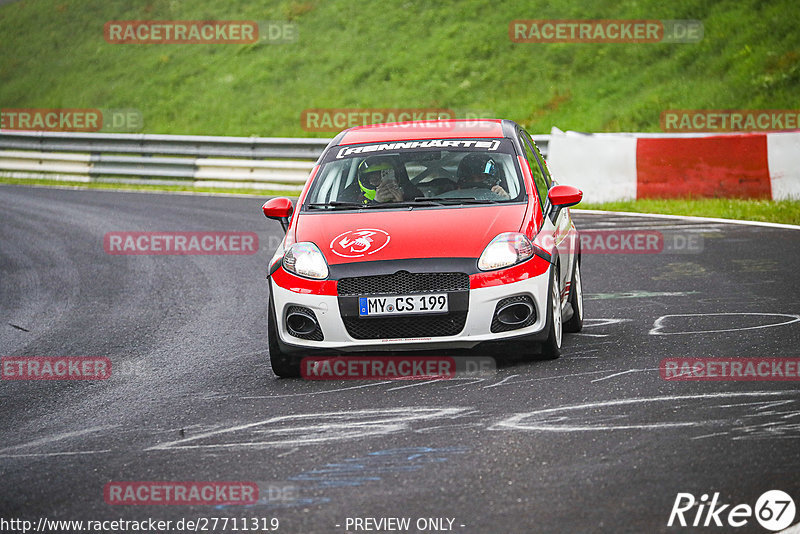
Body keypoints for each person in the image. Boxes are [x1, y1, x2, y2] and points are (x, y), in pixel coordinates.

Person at [341, 156, 420, 204]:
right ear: (365, 181)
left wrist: (403, 204)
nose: (382, 184)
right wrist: (376, 203)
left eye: (386, 178)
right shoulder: (350, 199)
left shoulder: (411, 194)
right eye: (375, 180)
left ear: (395, 177)